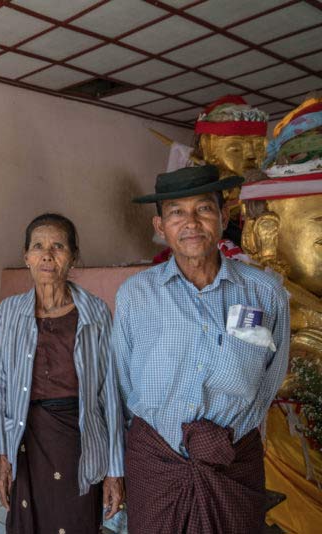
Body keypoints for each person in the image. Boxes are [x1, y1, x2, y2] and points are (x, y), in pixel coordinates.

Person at [113, 166, 291, 533]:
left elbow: (271, 376)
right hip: (157, 461)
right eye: (177, 212)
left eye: (204, 209)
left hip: (233, 458)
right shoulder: (136, 295)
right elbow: (123, 382)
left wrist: (224, 439)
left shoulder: (264, 293)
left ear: (224, 217)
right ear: (160, 226)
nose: (191, 222)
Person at [0, 213, 124, 534]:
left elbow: (111, 393)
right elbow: (1, 388)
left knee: (75, 522)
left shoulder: (95, 312)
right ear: (26, 256)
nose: (47, 255)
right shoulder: (8, 311)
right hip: (25, 440)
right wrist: (3, 455)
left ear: (73, 256)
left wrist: (114, 470)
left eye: (58, 246)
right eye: (38, 246)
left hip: (77, 441)